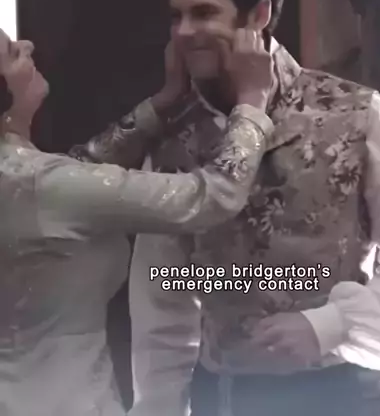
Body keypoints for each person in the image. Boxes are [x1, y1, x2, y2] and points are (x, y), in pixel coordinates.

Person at [73, 0, 380, 415]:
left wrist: (328, 325)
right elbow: (163, 309)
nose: (185, 32)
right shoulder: (175, 143)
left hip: (343, 397)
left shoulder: (363, 119)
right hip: (222, 399)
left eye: (203, 13)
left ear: (258, 15)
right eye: (176, 16)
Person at [0, 26, 274, 416]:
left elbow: (80, 168)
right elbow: (211, 196)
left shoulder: (26, 178)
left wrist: (163, 103)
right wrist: (252, 103)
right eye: (12, 53)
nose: (28, 44)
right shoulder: (42, 185)